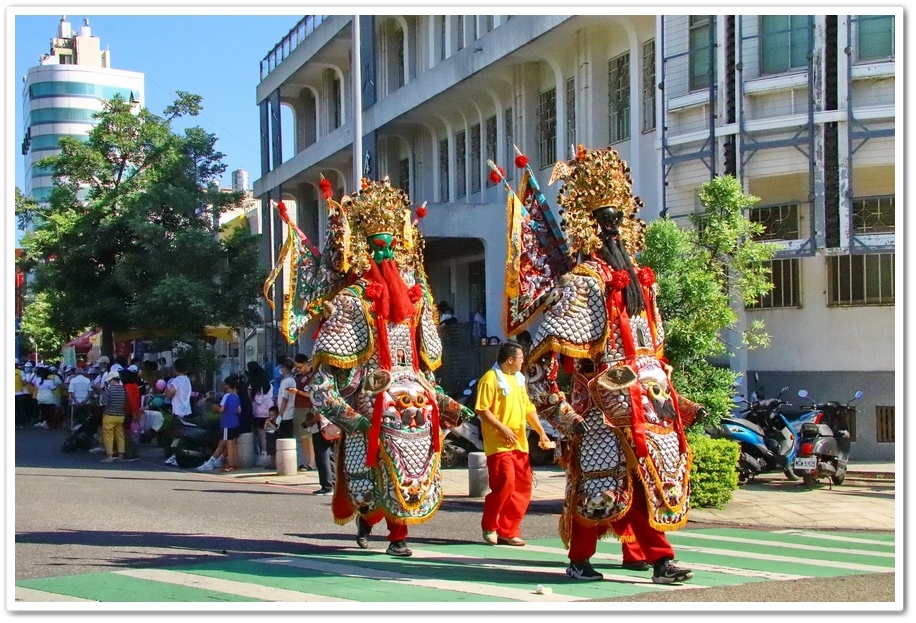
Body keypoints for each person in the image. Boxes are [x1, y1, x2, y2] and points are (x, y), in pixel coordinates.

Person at [521, 146, 705, 583]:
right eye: (603, 219)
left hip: (649, 401)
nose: (611, 226)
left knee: (650, 481)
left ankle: (658, 558)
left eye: (617, 217)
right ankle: (581, 559)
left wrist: (673, 396)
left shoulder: (642, 280)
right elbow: (540, 360)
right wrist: (561, 415)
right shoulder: (581, 282)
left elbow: (655, 352)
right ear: (588, 224)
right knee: (601, 484)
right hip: (601, 408)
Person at [305, 177, 473, 557]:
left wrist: (441, 399)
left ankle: (399, 537)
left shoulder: (415, 299)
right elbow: (322, 379)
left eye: (390, 245)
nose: (386, 253)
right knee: (370, 468)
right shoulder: (351, 300)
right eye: (377, 246)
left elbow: (425, 362)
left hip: (411, 394)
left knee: (408, 462)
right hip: (369, 394)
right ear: (364, 249)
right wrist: (348, 414)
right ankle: (367, 519)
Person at [475, 341, 554, 547]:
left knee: (523, 487)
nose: (523, 363)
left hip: (520, 443)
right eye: (520, 359)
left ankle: (508, 530)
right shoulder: (490, 379)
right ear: (510, 360)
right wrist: (502, 428)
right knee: (505, 485)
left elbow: (529, 409)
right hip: (499, 444)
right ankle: (490, 526)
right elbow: (482, 410)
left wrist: (542, 433)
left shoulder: (519, 379)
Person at [198, 376, 241, 472]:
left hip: (227, 423)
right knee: (232, 444)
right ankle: (234, 464)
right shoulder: (236, 396)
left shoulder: (226, 396)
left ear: (227, 385)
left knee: (228, 444)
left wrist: (215, 407)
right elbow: (239, 410)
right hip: (235, 423)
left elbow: (221, 409)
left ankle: (230, 465)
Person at [292, 354, 317, 472]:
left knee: (308, 436)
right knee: (303, 436)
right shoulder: (299, 376)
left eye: (300, 367)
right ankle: (307, 461)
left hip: (308, 408)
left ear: (306, 364)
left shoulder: (311, 376)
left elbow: (311, 394)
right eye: (296, 367)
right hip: (299, 406)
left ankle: (312, 462)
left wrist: (297, 392)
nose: (298, 369)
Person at [97, 369, 127, 463]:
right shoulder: (124, 389)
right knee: (120, 435)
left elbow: (103, 402)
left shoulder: (109, 389)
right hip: (121, 415)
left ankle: (110, 456)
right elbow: (126, 401)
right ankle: (121, 455)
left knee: (108, 436)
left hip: (109, 415)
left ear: (112, 380)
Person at [247, 361, 273, 466]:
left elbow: (251, 398)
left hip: (258, 412)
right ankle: (269, 454)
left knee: (261, 434)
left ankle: (263, 453)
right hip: (269, 410)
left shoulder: (252, 384)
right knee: (269, 433)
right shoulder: (268, 383)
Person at [275, 358, 297, 449]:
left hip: (286, 414)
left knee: (285, 437)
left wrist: (280, 414)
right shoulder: (289, 380)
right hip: (288, 412)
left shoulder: (287, 382)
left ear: (284, 368)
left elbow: (285, 399)